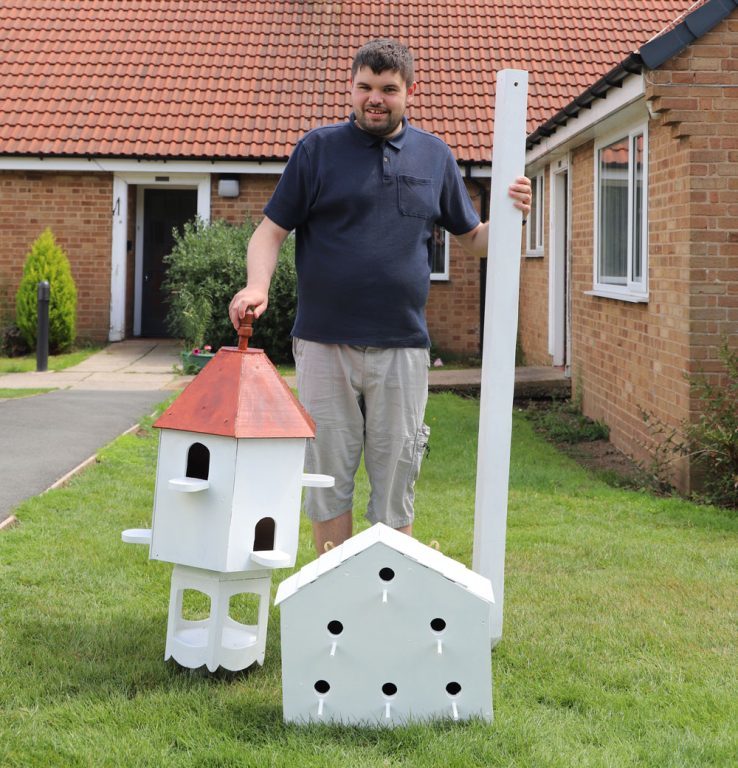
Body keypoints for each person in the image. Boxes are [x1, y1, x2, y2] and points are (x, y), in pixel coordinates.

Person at [229, 39, 531, 554]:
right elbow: (269, 232)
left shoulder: (435, 156)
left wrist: (512, 215)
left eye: (388, 89)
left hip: (403, 346)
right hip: (325, 344)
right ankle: (334, 600)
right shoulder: (317, 151)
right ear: (351, 88)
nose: (376, 98)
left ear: (408, 92)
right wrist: (258, 285)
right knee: (327, 477)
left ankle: (385, 602)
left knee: (396, 479)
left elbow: (476, 242)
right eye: (365, 87)